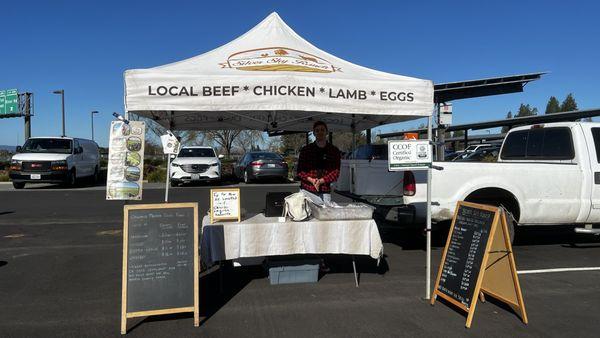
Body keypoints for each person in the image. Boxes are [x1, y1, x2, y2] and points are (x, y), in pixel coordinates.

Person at [296, 121, 341, 204]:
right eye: (317, 130)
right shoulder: (306, 150)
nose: (320, 132)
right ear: (313, 133)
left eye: (322, 130)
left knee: (325, 215)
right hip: (306, 190)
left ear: (326, 132)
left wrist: (321, 181)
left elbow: (336, 173)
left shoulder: (334, 151)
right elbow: (300, 171)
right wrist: (311, 180)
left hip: (325, 191)